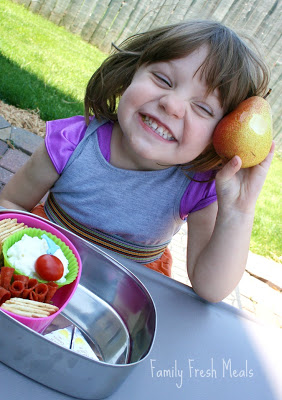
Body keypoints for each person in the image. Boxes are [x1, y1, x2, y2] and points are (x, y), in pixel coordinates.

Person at [0, 20, 274, 302]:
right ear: (131, 73)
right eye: (163, 80)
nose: (172, 105)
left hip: (126, 300)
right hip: (38, 278)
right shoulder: (72, 142)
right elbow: (11, 204)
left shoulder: (197, 185)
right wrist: (23, 260)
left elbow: (211, 289)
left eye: (202, 107)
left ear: (219, 136)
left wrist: (239, 211)